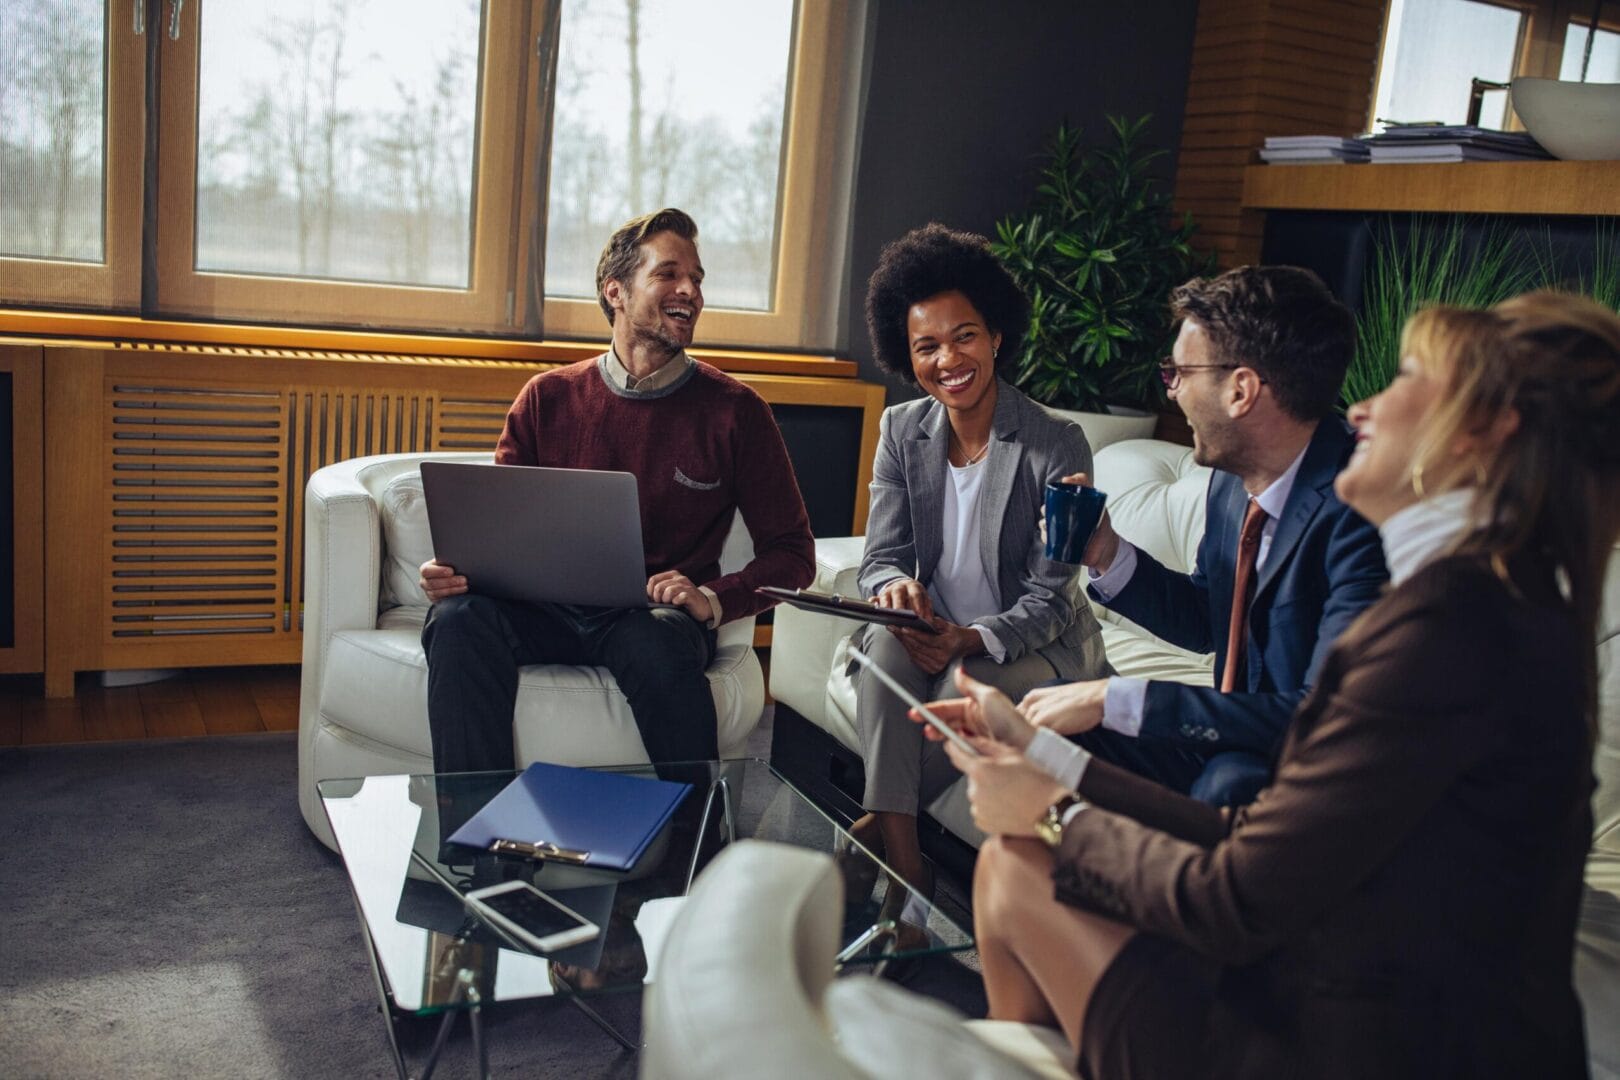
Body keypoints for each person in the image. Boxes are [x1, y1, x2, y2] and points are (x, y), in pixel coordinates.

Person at [919, 291, 1620, 1078]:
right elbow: (1225, 645)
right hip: (1356, 969)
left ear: (1482, 431)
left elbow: (1242, 891)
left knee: (1018, 868)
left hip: (1368, 1038)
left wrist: (1054, 813)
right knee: (1018, 857)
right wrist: (1052, 766)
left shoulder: (1447, 628)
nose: (1362, 410)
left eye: (1406, 378)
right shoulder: (1491, 602)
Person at [418, 208, 814, 772]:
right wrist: (455, 571)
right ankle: (476, 845)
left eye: (697, 279)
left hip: (651, 620)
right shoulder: (545, 398)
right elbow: (494, 534)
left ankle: (697, 844)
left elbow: (794, 555)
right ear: (617, 292)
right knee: (457, 621)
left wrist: (715, 598)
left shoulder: (737, 412)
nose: (690, 291)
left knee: (652, 639)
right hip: (542, 613)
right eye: (669, 274)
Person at [1020, 265, 1387, 805]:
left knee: (1229, 783)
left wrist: (1122, 698)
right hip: (1231, 731)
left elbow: (1323, 714)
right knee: (1047, 713)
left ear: (1241, 390)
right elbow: (1205, 620)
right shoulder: (1230, 483)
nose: (1171, 393)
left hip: (1313, 763)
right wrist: (1107, 553)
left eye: (1179, 373)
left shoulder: (1361, 510)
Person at [847, 224, 1109, 937]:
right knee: (880, 646)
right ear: (908, 357)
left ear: (997, 335)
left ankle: (883, 838)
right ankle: (911, 875)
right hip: (932, 630)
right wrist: (897, 589)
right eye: (926, 346)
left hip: (1032, 646)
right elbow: (882, 555)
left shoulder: (1055, 442)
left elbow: (1050, 597)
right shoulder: (904, 431)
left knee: (968, 691)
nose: (947, 360)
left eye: (963, 336)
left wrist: (970, 639)